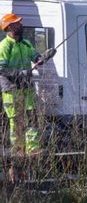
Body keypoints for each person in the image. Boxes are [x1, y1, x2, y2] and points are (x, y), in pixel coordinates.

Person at [0, 14, 42, 178]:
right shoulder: (4, 46)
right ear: (9, 28)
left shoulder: (25, 43)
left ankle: (32, 148)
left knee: (32, 117)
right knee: (16, 120)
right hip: (11, 88)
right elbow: (1, 69)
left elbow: (34, 55)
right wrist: (20, 73)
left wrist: (41, 57)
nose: (21, 25)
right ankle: (18, 150)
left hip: (26, 86)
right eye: (17, 23)